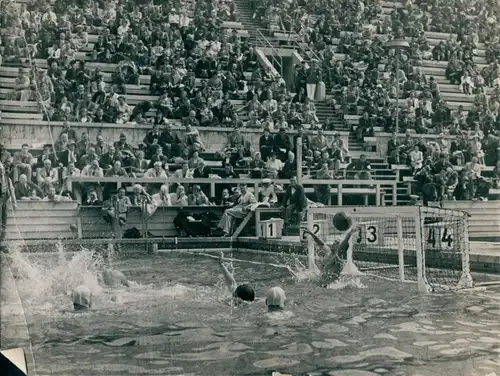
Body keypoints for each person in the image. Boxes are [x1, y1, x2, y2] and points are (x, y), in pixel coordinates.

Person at [301, 217, 360, 287]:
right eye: (334, 241)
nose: (333, 243)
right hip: (322, 282)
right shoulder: (329, 252)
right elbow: (320, 243)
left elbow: (344, 244)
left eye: (336, 243)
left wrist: (350, 233)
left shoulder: (339, 257)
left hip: (330, 286)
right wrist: (311, 233)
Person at [0, 163, 16, 244]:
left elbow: (11, 190)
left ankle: (2, 237)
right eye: (0, 170)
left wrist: (14, 202)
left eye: (2, 170)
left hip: (5, 199)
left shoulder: (8, 179)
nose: (1, 171)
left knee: (4, 217)